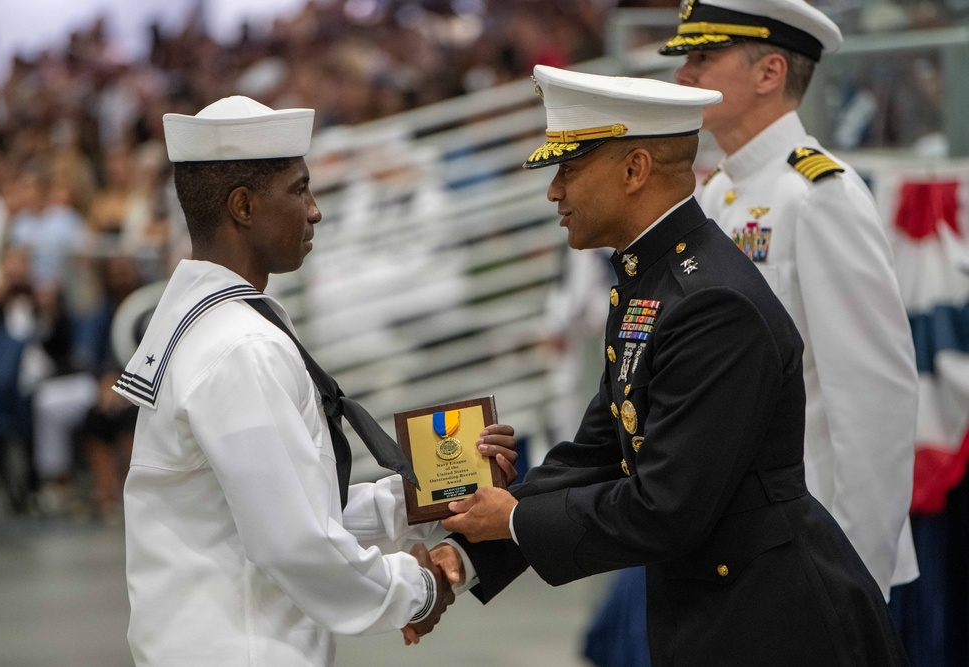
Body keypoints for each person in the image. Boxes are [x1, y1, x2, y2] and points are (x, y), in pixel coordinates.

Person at [432, 64, 909, 666]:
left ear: (635, 170)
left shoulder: (710, 303)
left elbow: (666, 507)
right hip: (719, 609)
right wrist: (469, 553)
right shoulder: (652, 281)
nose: (554, 191)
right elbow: (599, 451)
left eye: (569, 168)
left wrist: (518, 520)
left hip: (779, 622)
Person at [111, 95, 518, 666]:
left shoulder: (209, 320)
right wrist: (418, 590)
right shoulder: (242, 347)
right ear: (244, 206)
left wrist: (435, 491)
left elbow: (285, 506)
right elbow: (294, 542)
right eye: (299, 190)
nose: (314, 210)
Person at [660, 0, 919, 601]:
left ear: (770, 72)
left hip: (807, 543)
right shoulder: (717, 193)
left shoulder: (818, 195)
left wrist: (855, 575)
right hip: (727, 537)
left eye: (703, 56)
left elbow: (875, 400)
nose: (684, 74)